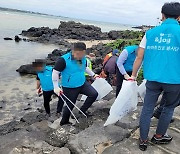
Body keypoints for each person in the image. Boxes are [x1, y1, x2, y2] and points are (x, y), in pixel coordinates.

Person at [129, 2, 180, 151]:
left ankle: (143, 140)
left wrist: (133, 75)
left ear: (162, 15)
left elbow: (139, 57)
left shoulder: (150, 33)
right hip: (174, 80)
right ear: (179, 17)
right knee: (168, 108)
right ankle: (159, 136)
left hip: (152, 79)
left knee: (147, 108)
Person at [52, 42, 99, 126]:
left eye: (82, 54)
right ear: (73, 51)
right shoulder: (63, 60)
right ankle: (64, 122)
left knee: (94, 94)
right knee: (70, 105)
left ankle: (82, 110)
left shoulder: (82, 58)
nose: (80, 56)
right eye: (78, 54)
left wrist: (93, 75)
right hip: (70, 87)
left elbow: (84, 68)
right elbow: (55, 73)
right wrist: (56, 87)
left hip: (82, 83)